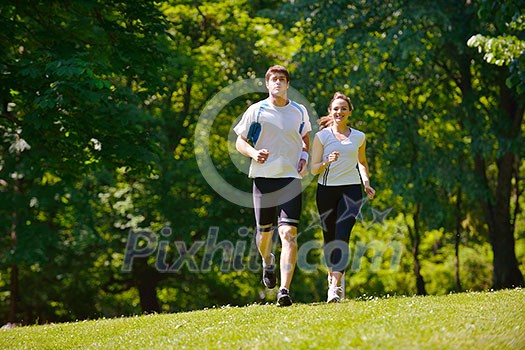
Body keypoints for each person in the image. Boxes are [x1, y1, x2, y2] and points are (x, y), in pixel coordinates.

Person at [234, 65, 311, 307]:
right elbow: (240, 141)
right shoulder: (256, 111)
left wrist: (304, 158)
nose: (277, 82)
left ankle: (285, 290)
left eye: (282, 79)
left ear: (288, 84)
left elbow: (306, 139)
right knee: (264, 235)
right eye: (273, 79)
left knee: (288, 233)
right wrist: (254, 154)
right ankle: (268, 261)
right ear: (267, 84)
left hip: (290, 179)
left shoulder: (299, 111)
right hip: (263, 179)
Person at [310, 92, 375, 303]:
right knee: (330, 239)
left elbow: (362, 162)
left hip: (352, 191)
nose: (339, 112)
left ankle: (335, 288)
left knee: (342, 235)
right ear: (330, 111)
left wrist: (366, 182)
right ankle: (332, 276)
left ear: (349, 112)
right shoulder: (322, 137)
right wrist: (327, 161)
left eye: (343, 108)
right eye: (336, 109)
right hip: (327, 191)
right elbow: (313, 170)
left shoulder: (359, 137)